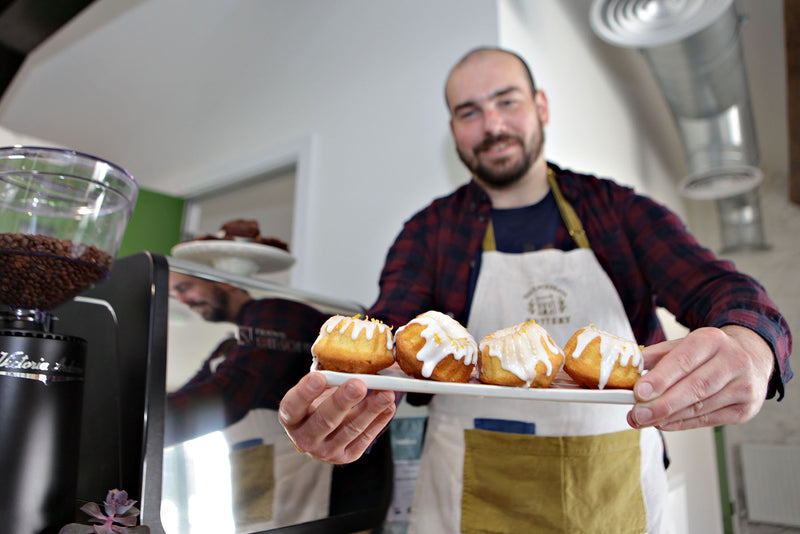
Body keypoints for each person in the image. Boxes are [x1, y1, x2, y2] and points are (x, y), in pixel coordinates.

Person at [278, 47, 793, 533]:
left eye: (507, 101)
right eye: (469, 112)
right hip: (471, 495)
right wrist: (341, 407)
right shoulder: (431, 232)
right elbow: (386, 338)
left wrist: (753, 345)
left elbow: (719, 287)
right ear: (454, 129)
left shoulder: (614, 210)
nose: (493, 126)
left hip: (613, 495)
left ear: (540, 106)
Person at [165, 272, 335, 532]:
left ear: (224, 280)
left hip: (298, 469)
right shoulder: (229, 345)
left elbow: (230, 393)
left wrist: (140, 426)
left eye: (185, 287)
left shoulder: (277, 314)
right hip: (251, 466)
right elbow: (193, 391)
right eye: (174, 294)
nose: (182, 299)